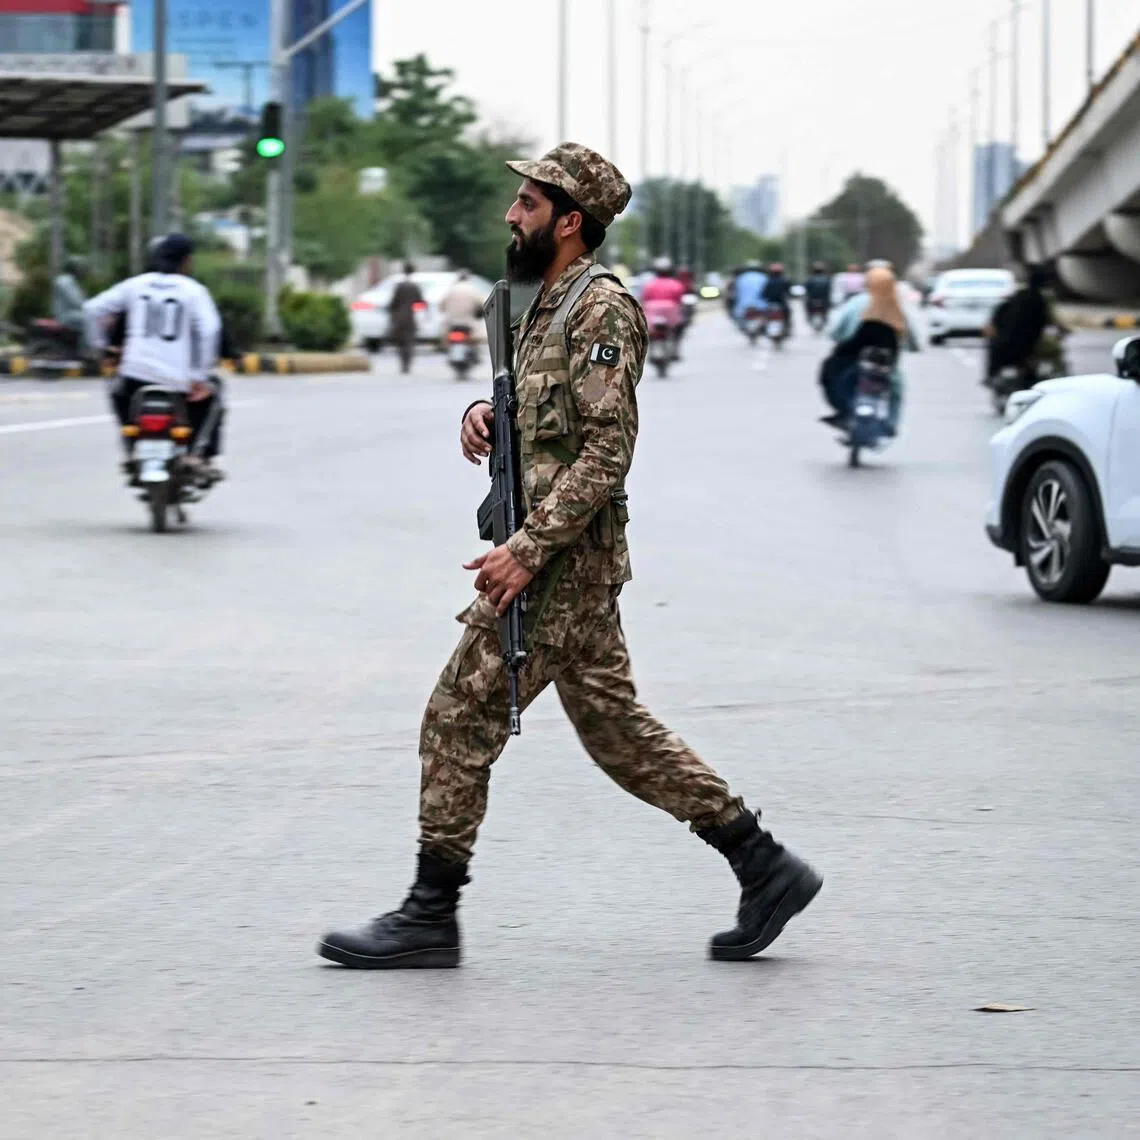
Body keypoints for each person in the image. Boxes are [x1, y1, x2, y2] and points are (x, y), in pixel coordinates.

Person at [318, 141, 822, 970]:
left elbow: (606, 452)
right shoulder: (538, 304)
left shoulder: (601, 310)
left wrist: (527, 550)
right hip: (562, 559)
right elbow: (544, 413)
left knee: (457, 716)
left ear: (569, 221)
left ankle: (430, 914)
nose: (511, 214)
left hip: (561, 564)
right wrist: (485, 413)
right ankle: (763, 865)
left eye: (528, 203)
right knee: (617, 731)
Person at [83, 234, 224, 476]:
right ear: (187, 261)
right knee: (213, 395)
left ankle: (132, 448)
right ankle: (193, 454)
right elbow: (210, 330)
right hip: (178, 380)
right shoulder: (194, 291)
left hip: (135, 376)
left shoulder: (135, 285)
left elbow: (92, 309)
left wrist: (101, 346)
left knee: (116, 392)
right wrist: (199, 375)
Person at [819, 264, 920, 434]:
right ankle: (892, 423)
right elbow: (910, 336)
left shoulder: (856, 302)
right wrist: (913, 347)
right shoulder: (896, 306)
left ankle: (844, 413)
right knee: (896, 389)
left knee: (833, 375)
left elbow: (837, 331)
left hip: (855, 358)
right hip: (887, 363)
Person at [984, 265, 1055, 385]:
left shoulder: (1020, 297)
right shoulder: (1039, 300)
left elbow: (1001, 312)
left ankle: (992, 376)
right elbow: (1044, 321)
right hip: (1026, 345)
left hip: (1007, 343)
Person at [640, 256, 686, 357]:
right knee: (681, 324)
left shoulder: (649, 284)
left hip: (652, 313)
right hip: (671, 313)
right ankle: (675, 347)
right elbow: (679, 300)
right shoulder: (676, 284)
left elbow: (644, 299)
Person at [388, 262, 424, 373]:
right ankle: (407, 364)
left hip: (398, 317)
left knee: (400, 341)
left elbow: (393, 302)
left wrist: (392, 314)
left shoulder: (399, 286)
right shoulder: (415, 286)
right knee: (409, 341)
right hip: (410, 317)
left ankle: (403, 363)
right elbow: (420, 301)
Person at [438, 269, 486, 345]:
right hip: (469, 324)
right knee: (477, 340)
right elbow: (482, 306)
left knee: (444, 341)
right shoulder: (473, 290)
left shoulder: (451, 290)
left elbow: (441, 307)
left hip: (451, 324)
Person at [52, 255, 88, 352]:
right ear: (74, 268)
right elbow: (76, 301)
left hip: (71, 313)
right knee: (90, 320)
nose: (82, 271)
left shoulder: (69, 280)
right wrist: (91, 306)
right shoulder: (65, 281)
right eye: (81, 267)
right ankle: (84, 351)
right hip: (66, 315)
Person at [732, 260, 768, 326]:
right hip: (762, 306)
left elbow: (736, 293)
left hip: (743, 307)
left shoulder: (741, 278)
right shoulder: (764, 277)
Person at [762, 262, 794, 331]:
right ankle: (787, 326)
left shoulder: (768, 281)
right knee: (788, 314)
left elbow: (764, 294)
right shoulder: (785, 281)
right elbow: (789, 293)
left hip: (771, 303)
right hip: (781, 304)